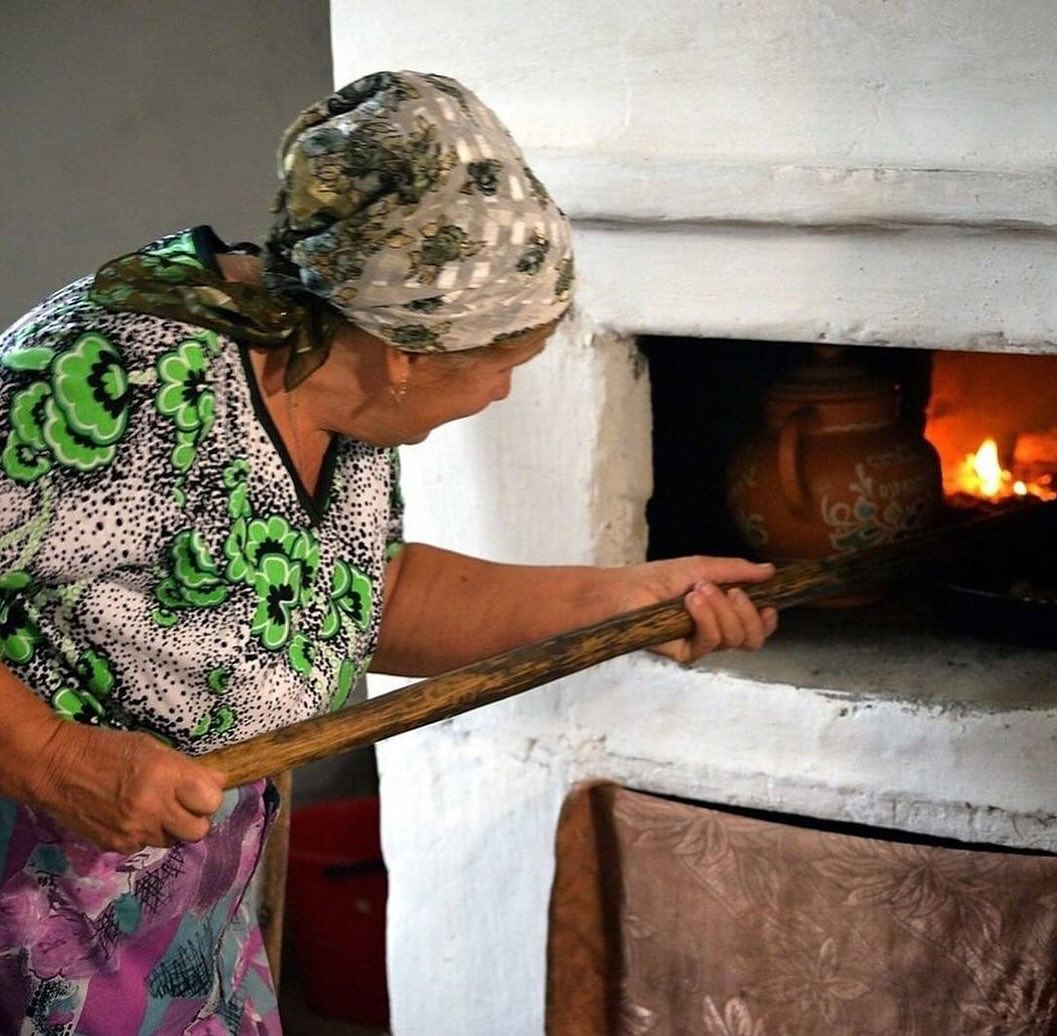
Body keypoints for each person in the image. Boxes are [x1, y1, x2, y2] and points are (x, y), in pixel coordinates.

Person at [0, 71, 777, 1032]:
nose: (498, 394)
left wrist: (631, 599)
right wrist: (52, 755)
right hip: (35, 881)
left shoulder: (337, 385)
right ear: (408, 348)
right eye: (498, 363)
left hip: (184, 898)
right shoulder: (118, 377)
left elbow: (370, 595)